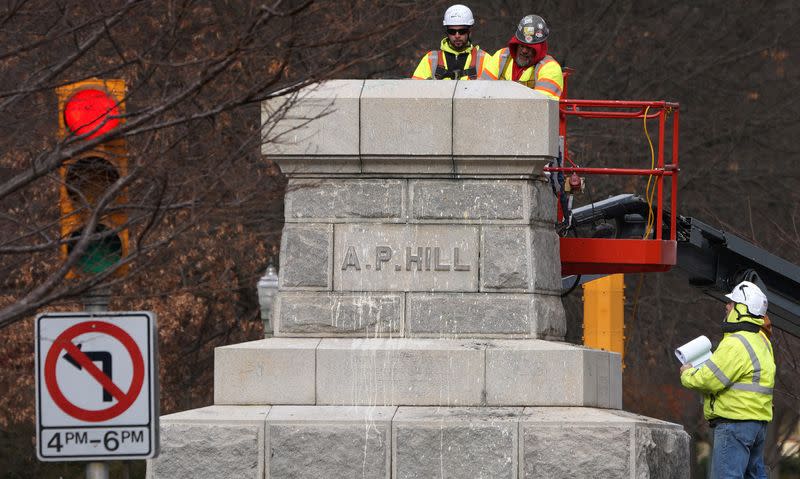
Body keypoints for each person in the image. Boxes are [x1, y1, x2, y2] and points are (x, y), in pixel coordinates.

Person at [680, 281, 776, 478]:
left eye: (732, 303)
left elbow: (709, 380)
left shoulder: (735, 342)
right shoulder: (762, 341)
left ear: (742, 309)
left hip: (734, 424)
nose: (727, 306)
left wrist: (687, 373)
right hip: (757, 425)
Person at [487, 14, 563, 99]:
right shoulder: (501, 56)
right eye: (521, 46)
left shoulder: (550, 68)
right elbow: (482, 91)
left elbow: (541, 106)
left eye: (529, 47)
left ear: (540, 48)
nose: (524, 51)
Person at [411, 4, 494, 80]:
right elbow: (416, 89)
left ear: (469, 31)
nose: (457, 36)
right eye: (452, 31)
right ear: (447, 32)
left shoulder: (485, 59)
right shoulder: (431, 59)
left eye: (462, 31)